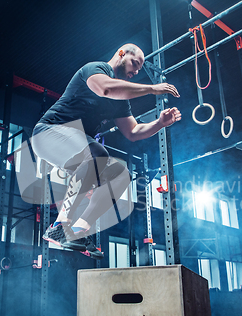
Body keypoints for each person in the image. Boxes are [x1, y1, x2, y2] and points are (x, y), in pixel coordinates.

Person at [31, 43, 181, 259]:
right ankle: (60, 225)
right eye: (134, 64)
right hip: (48, 134)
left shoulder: (121, 101)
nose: (137, 71)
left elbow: (133, 131)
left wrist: (159, 123)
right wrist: (151, 88)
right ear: (121, 54)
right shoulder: (95, 70)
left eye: (140, 68)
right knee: (97, 154)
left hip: (76, 146)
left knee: (121, 176)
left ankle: (78, 231)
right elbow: (106, 89)